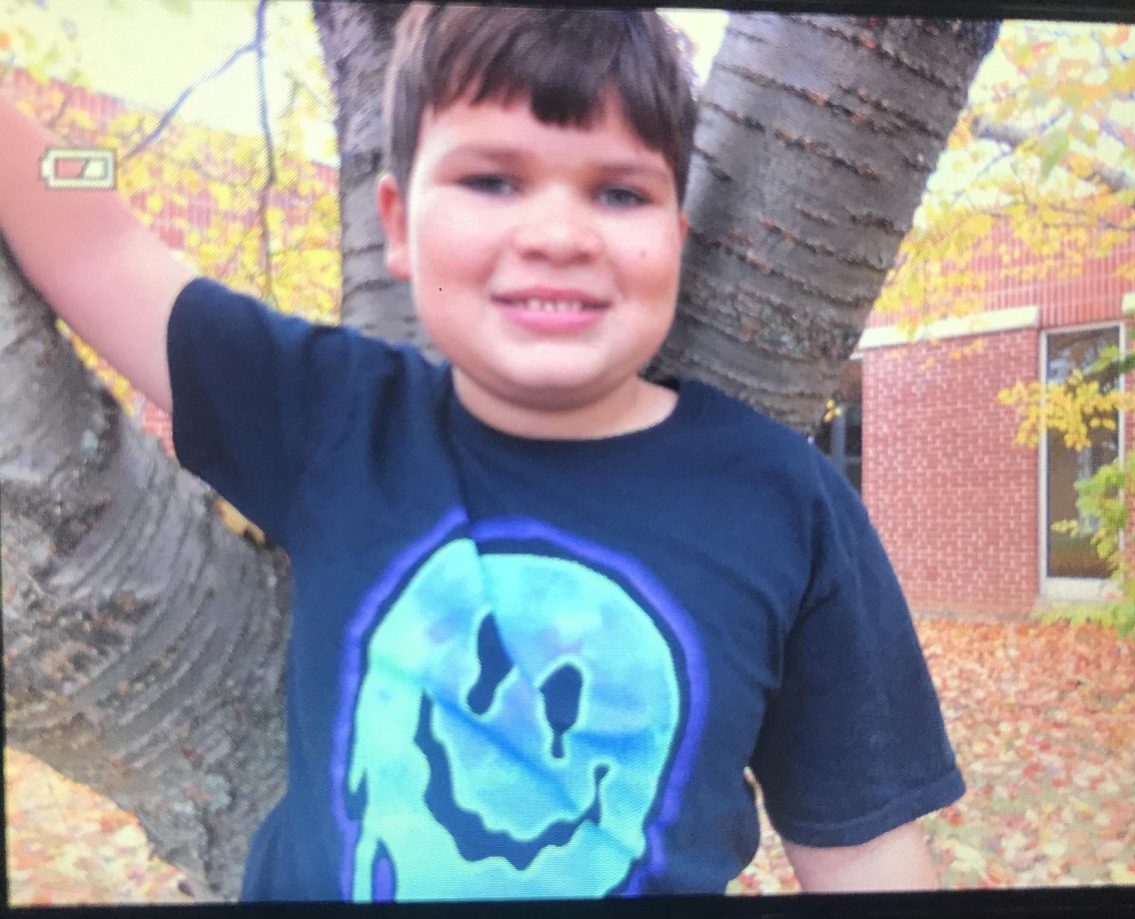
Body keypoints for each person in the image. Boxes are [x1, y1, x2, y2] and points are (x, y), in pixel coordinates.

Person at [0, 3, 965, 903]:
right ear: (397, 227)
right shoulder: (332, 414)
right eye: (492, 179)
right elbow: (99, 247)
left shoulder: (781, 498)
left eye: (619, 192)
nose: (555, 233)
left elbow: (867, 848)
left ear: (675, 237)